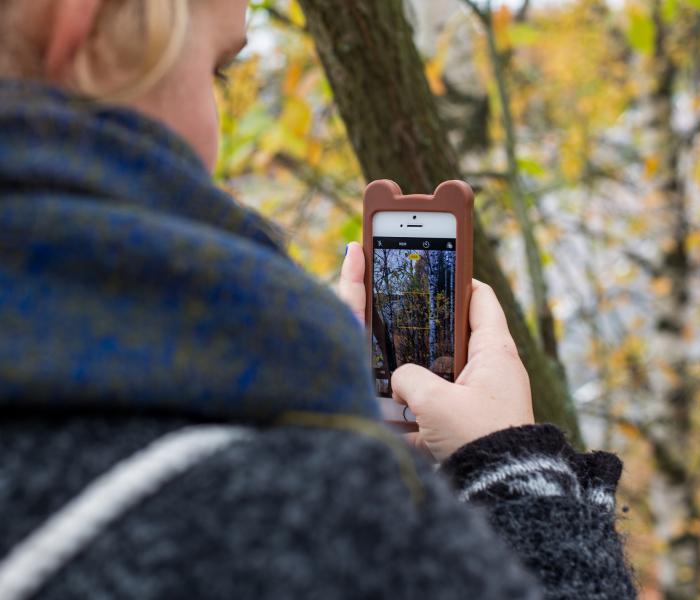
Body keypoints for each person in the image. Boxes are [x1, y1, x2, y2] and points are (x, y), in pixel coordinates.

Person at [0, 1, 637, 598]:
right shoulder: (296, 513)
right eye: (218, 71)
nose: (217, 137)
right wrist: (514, 473)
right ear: (80, 32)